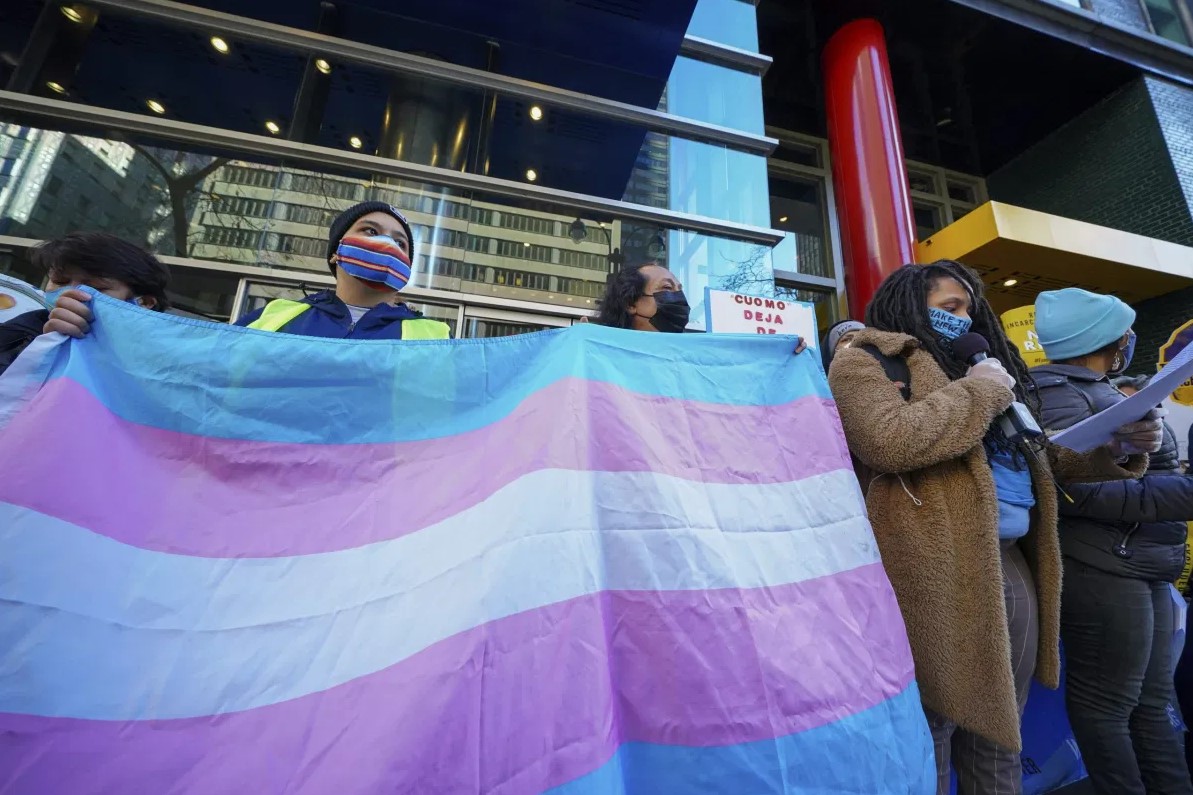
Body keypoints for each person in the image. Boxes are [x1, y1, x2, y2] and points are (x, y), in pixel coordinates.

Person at [827, 261, 1150, 795]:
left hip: (1009, 557)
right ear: (908, 305)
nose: (966, 317)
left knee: (1000, 733)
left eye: (970, 307)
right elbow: (888, 441)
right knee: (932, 726)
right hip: (931, 564)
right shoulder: (865, 361)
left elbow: (1033, 455)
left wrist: (1113, 448)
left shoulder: (985, 369)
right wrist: (979, 392)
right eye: (949, 307)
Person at [1032, 289, 1193, 795]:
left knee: (1151, 703)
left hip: (1140, 563)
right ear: (1103, 338)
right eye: (1124, 331)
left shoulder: (1096, 388)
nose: (1130, 340)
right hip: (1103, 567)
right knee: (1108, 706)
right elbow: (1075, 490)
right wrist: (1182, 494)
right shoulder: (1056, 393)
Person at [234, 201, 450, 340]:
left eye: (400, 243)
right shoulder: (273, 317)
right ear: (335, 252)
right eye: (371, 231)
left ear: (405, 269)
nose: (387, 245)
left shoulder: (436, 338)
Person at [0, 232, 170, 377]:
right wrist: (42, 350)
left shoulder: (164, 360)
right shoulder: (23, 329)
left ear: (144, 302)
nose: (69, 294)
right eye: (59, 281)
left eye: (95, 288)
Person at [593, 262, 807, 352]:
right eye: (667, 287)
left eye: (679, 289)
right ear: (631, 303)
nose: (678, 295)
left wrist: (782, 357)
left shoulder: (698, 356)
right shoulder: (605, 356)